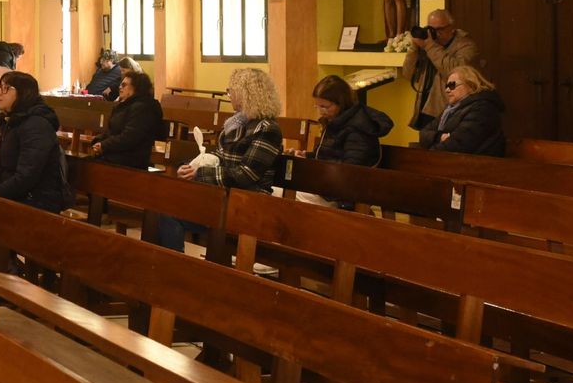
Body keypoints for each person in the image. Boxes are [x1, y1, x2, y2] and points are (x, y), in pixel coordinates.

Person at [156, 68, 283, 252]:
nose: (228, 95)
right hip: (224, 197)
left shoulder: (267, 128)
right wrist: (193, 165)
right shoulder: (235, 124)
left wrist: (200, 174)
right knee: (165, 204)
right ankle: (172, 267)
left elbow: (246, 174)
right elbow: (220, 156)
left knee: (171, 211)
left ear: (246, 93)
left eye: (231, 90)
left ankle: (176, 270)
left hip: (248, 204)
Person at [0, 71, 71, 212]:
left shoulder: (37, 125)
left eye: (5, 88)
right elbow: (0, 167)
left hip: (36, 201)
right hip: (18, 195)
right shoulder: (13, 121)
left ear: (23, 93)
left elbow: (26, 177)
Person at [400, 8, 480, 131]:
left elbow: (456, 71)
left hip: (448, 110)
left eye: (440, 29)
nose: (434, 33)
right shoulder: (428, 45)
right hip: (425, 107)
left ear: (451, 27)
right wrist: (414, 49)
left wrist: (429, 46)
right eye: (431, 28)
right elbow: (407, 74)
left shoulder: (466, 45)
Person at [419, 65, 506, 156]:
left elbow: (458, 144)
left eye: (452, 85)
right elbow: (423, 134)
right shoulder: (450, 109)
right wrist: (440, 137)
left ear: (471, 85)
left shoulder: (483, 108)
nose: (447, 90)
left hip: (476, 166)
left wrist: (428, 155)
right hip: (453, 162)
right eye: (446, 86)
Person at [310, 75, 392, 168]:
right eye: (317, 106)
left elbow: (352, 168)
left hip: (353, 179)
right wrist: (305, 157)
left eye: (325, 107)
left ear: (341, 102)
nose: (320, 111)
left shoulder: (358, 128)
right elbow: (326, 155)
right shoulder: (333, 122)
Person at [89, 70, 163, 169]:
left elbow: (129, 137)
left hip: (131, 160)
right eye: (120, 84)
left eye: (124, 85)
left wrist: (104, 145)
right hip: (117, 154)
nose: (120, 87)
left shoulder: (143, 108)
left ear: (136, 88)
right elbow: (112, 131)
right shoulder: (125, 106)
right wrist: (98, 142)